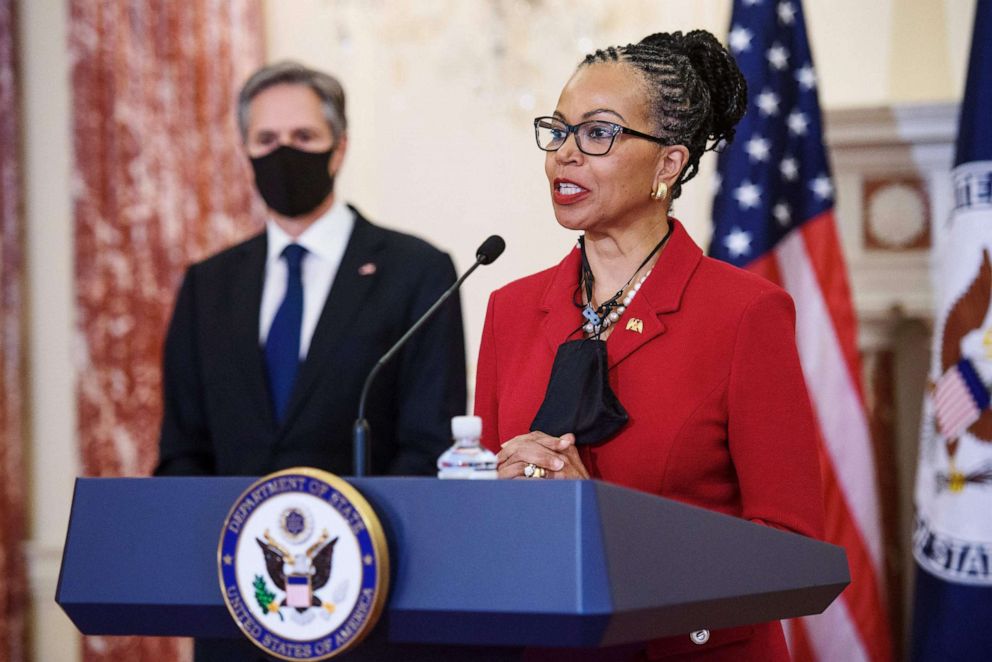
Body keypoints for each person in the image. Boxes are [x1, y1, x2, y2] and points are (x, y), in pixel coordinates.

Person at [474, 31, 824, 661]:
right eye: (558, 131)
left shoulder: (746, 314)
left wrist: (598, 525)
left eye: (598, 134)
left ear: (668, 164)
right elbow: (483, 520)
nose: (564, 156)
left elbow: (791, 552)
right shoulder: (510, 310)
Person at [154, 61, 466, 661]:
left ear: (339, 147)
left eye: (303, 139)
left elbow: (427, 442)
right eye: (266, 141)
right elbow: (182, 451)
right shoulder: (207, 286)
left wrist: (356, 554)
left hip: (373, 607)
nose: (283, 154)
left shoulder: (416, 271)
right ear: (244, 150)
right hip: (236, 614)